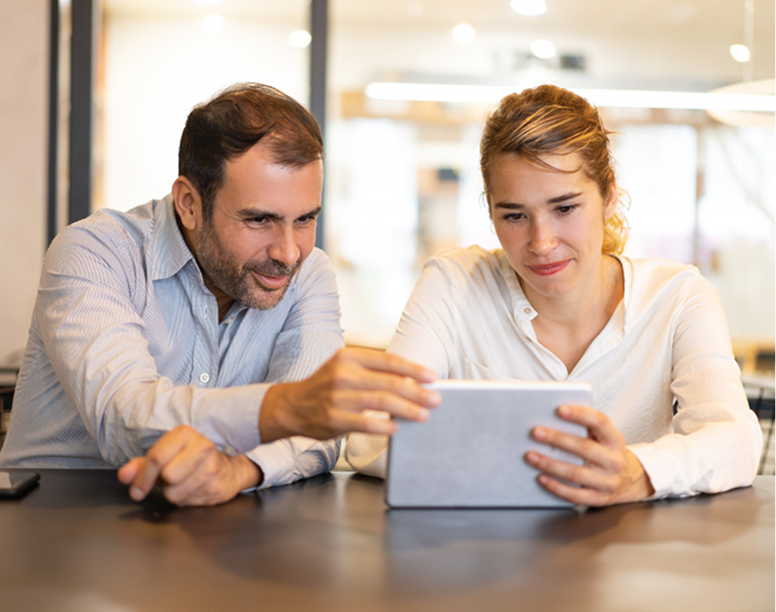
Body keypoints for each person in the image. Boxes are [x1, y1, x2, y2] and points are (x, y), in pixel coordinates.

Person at [0, 83, 439, 506]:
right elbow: (123, 415)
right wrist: (284, 407)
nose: (288, 253)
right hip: (56, 521)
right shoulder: (95, 252)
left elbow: (317, 434)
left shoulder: (310, 274)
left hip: (217, 518)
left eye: (304, 219)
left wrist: (243, 469)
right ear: (189, 203)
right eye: (259, 220)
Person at [346, 84, 763, 506]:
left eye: (564, 208)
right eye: (514, 215)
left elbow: (736, 440)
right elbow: (370, 435)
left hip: (628, 556)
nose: (541, 242)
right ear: (490, 212)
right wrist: (529, 464)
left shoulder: (677, 298)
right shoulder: (454, 284)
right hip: (483, 557)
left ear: (609, 197)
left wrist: (636, 473)